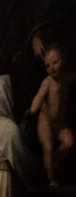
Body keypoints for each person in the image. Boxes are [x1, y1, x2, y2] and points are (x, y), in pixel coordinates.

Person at [30, 42, 74, 184]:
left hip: (59, 123)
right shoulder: (47, 82)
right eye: (48, 66)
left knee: (69, 143)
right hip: (45, 122)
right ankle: (51, 180)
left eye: (55, 62)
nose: (52, 68)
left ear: (63, 60)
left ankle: (53, 160)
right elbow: (39, 96)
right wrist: (33, 110)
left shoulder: (66, 78)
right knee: (47, 147)